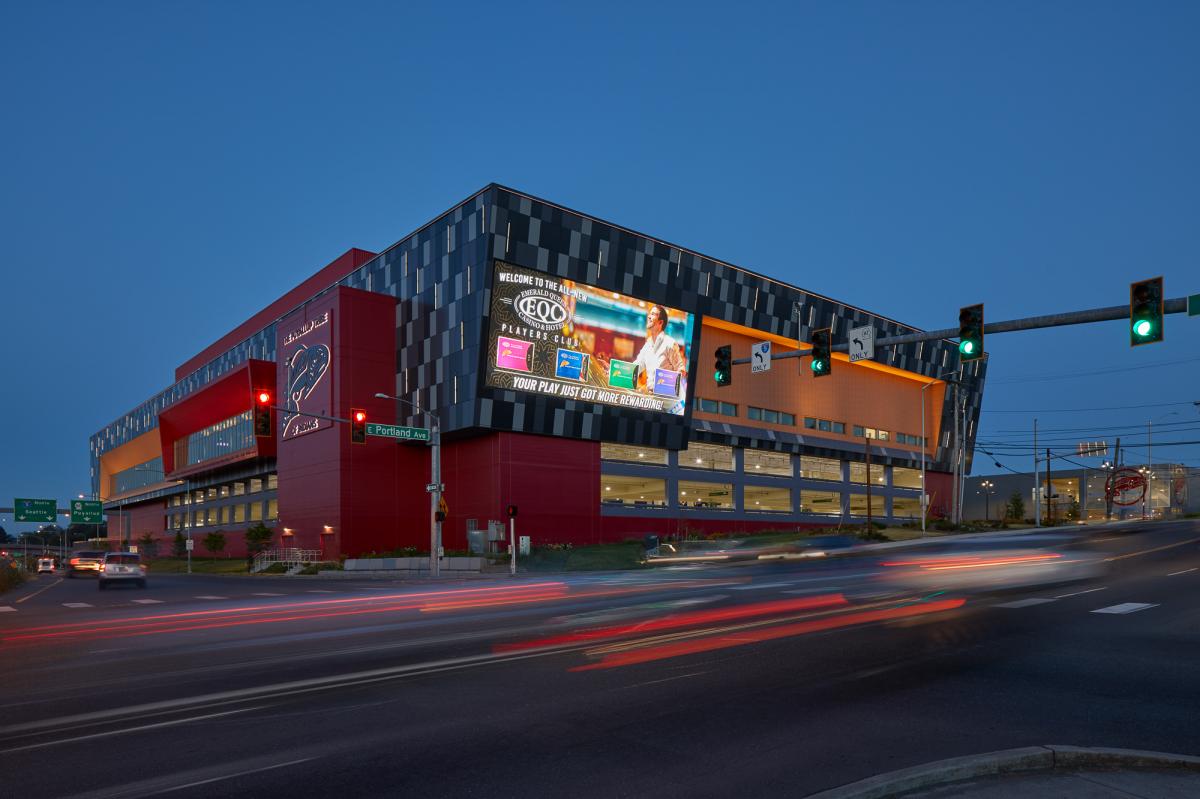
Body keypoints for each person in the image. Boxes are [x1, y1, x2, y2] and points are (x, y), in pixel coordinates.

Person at [632, 304, 685, 392]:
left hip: (665, 400)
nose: (649, 316)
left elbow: (681, 371)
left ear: (660, 322)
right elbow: (636, 367)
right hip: (651, 397)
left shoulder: (670, 343)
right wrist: (612, 370)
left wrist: (665, 385)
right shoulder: (647, 345)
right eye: (650, 313)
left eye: (653, 314)